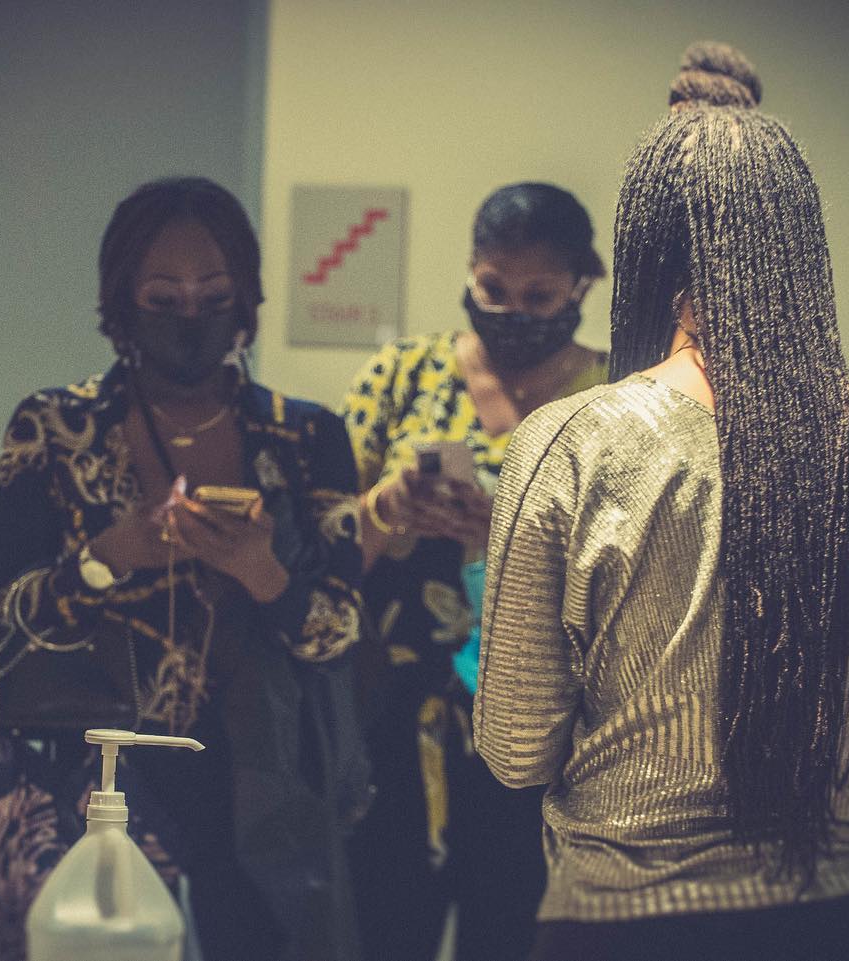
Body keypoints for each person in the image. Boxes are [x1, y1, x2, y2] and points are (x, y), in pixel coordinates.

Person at [476, 43, 849, 961]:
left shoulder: (573, 444)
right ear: (802, 248)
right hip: (844, 924)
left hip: (620, 932)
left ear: (647, 253)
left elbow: (514, 748)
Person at [0, 177, 370, 961]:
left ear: (244, 297)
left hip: (268, 785)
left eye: (213, 295)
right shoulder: (53, 427)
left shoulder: (305, 438)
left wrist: (261, 571)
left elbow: (338, 633)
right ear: (123, 299)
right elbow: (8, 615)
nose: (190, 316)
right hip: (94, 777)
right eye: (163, 297)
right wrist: (107, 559)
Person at [340, 182, 608, 961]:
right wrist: (389, 506)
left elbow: (639, 577)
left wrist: (506, 537)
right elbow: (319, 550)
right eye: (493, 289)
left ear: (582, 285)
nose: (513, 311)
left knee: (513, 934)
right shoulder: (404, 375)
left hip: (547, 739)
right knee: (385, 931)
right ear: (468, 270)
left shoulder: (617, 394)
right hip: (394, 718)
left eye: (539, 296)